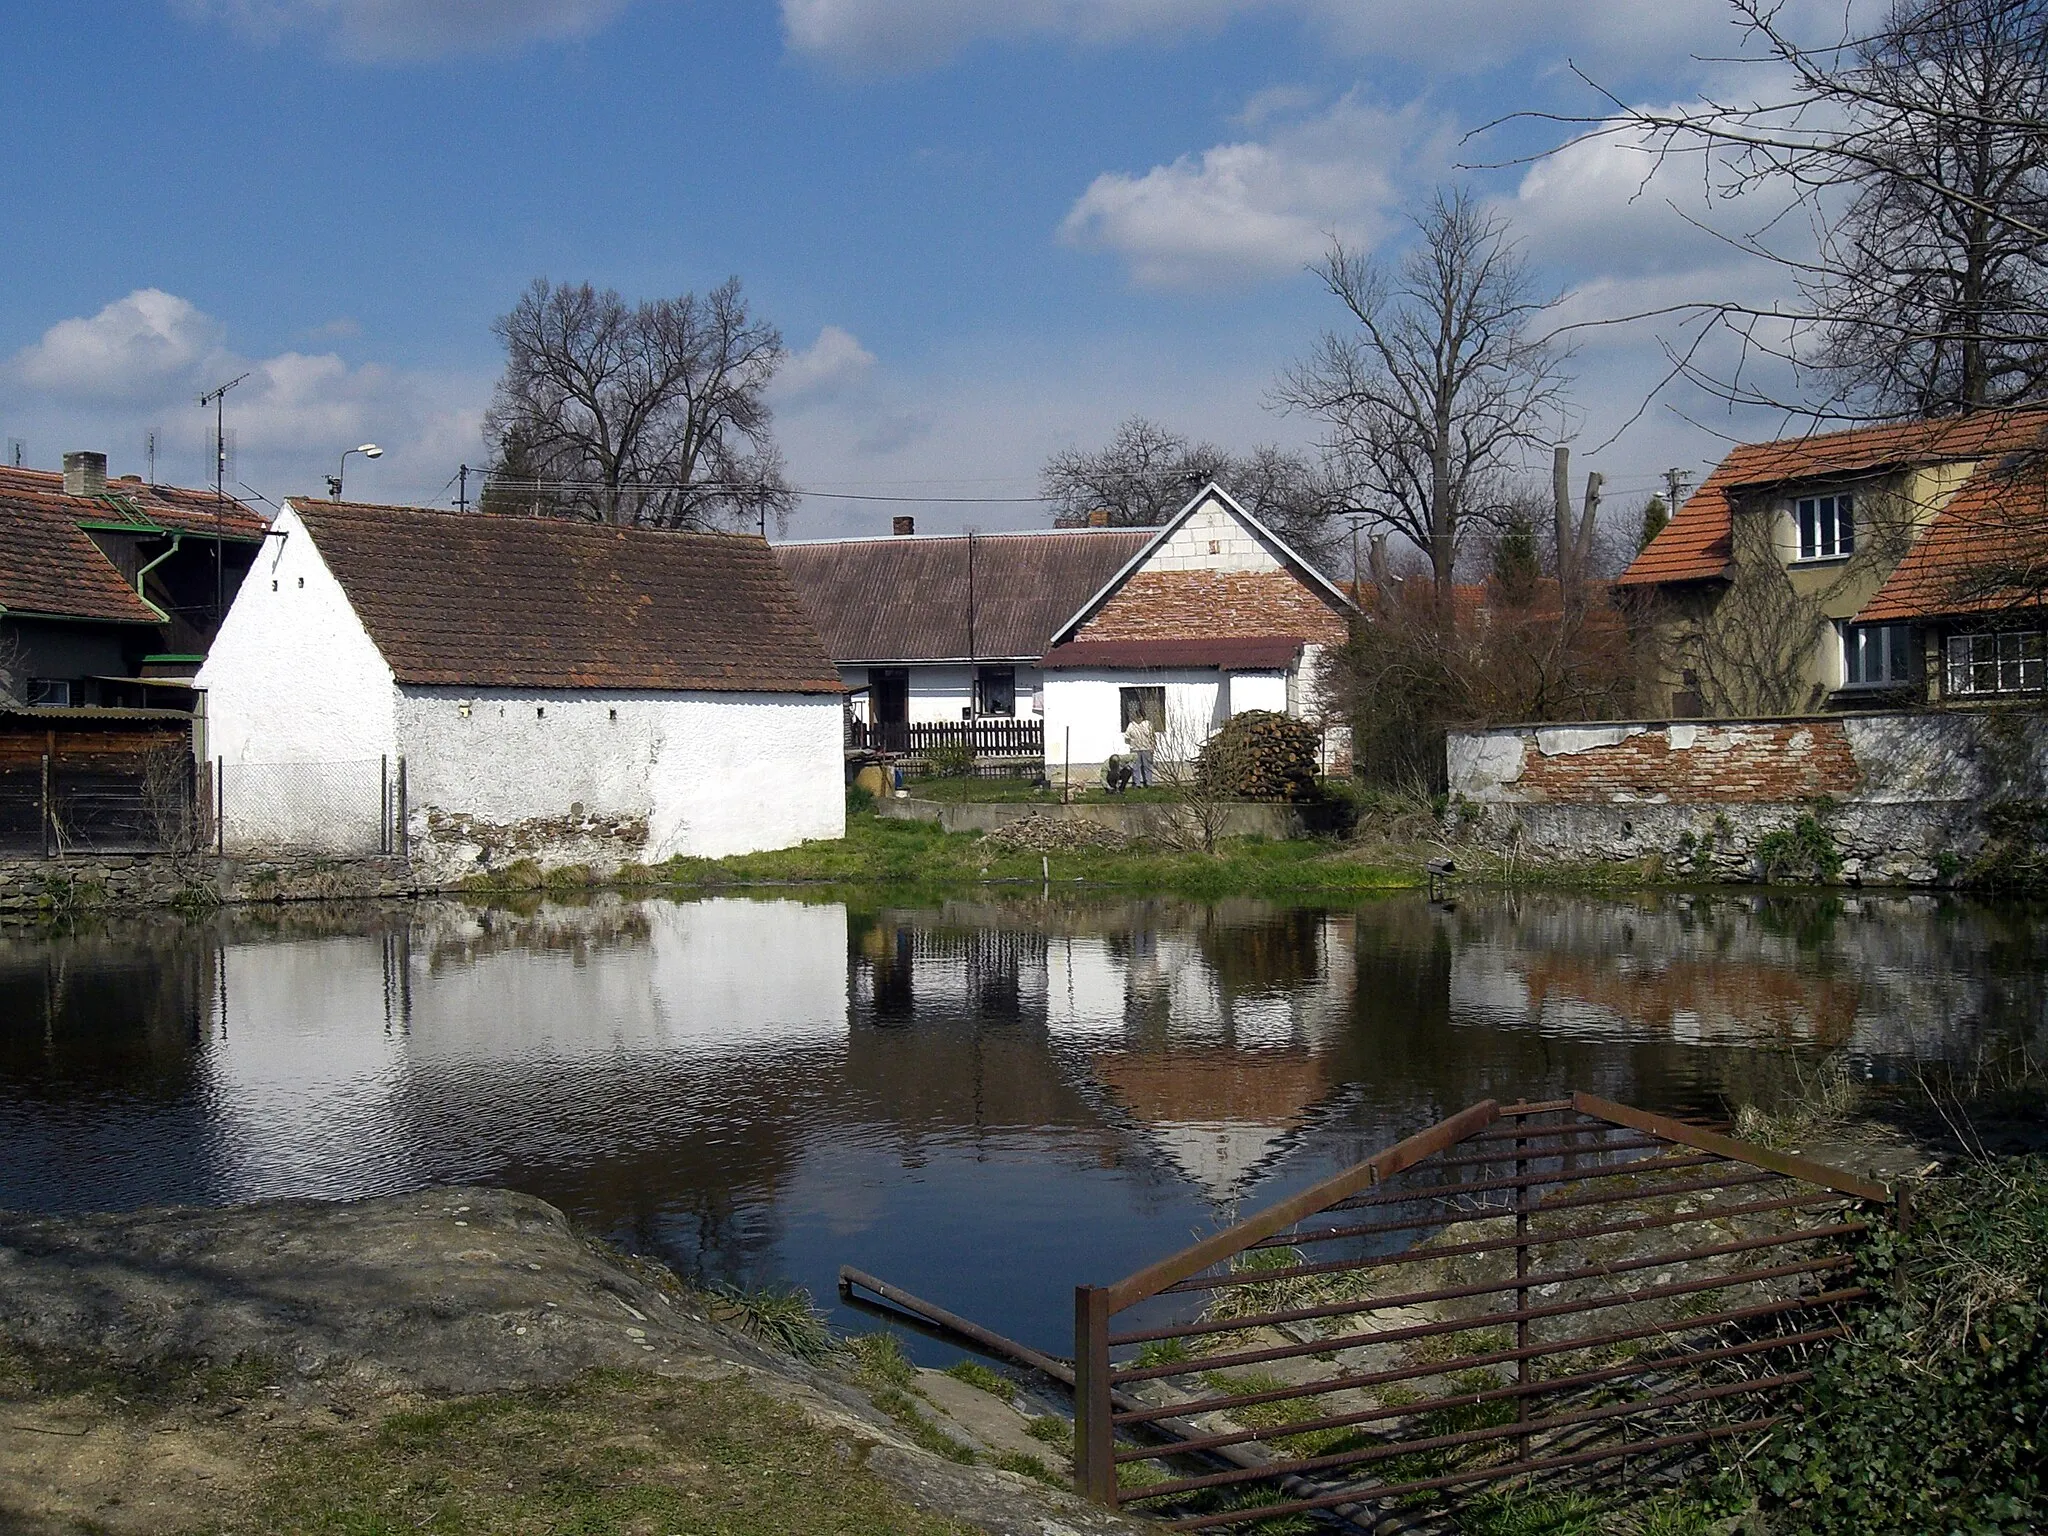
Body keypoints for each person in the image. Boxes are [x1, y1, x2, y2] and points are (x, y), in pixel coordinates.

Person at [1123, 712, 1157, 787]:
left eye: (1140, 716)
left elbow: (1152, 736)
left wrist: (1153, 746)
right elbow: (1127, 737)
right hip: (1135, 749)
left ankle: (1148, 783)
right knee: (1136, 767)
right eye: (1137, 717)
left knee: (1147, 766)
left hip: (1146, 748)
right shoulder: (1131, 725)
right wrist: (1133, 743)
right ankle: (1137, 783)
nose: (1138, 718)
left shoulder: (1148, 724)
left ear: (1143, 717)